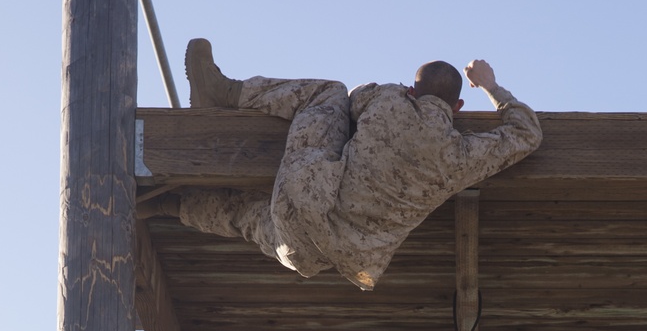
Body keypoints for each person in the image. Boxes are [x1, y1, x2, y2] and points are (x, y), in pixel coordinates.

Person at [167, 43, 542, 291]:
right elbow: (527, 133)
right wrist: (491, 86)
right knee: (243, 219)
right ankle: (171, 208)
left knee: (328, 92)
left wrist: (393, 99)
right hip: (317, 257)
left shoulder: (392, 100)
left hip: (305, 202)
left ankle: (227, 94)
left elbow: (356, 100)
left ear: (413, 90)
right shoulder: (460, 158)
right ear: (457, 108)